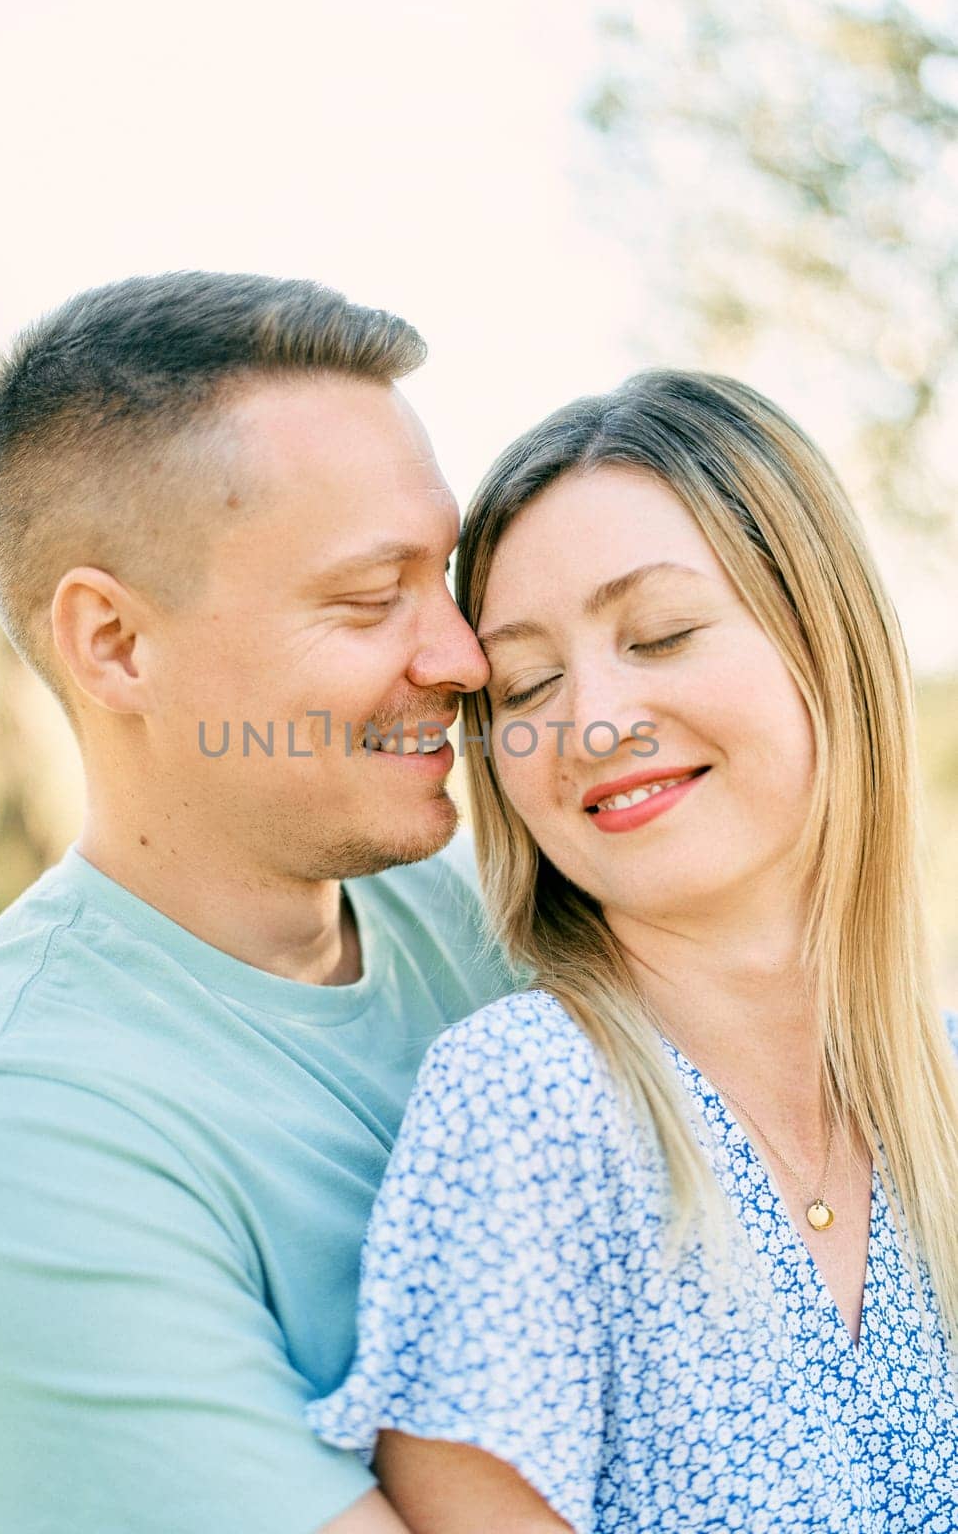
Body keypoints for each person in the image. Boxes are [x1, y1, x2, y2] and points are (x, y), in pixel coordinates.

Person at [0, 272, 517, 1534]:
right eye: (365, 596)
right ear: (115, 644)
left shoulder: (492, 929)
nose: (462, 658)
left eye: (443, 578)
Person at [309, 370, 958, 1533]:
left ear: (825, 636)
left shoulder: (946, 1084)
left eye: (657, 635)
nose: (590, 722)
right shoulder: (525, 1109)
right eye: (528, 683)